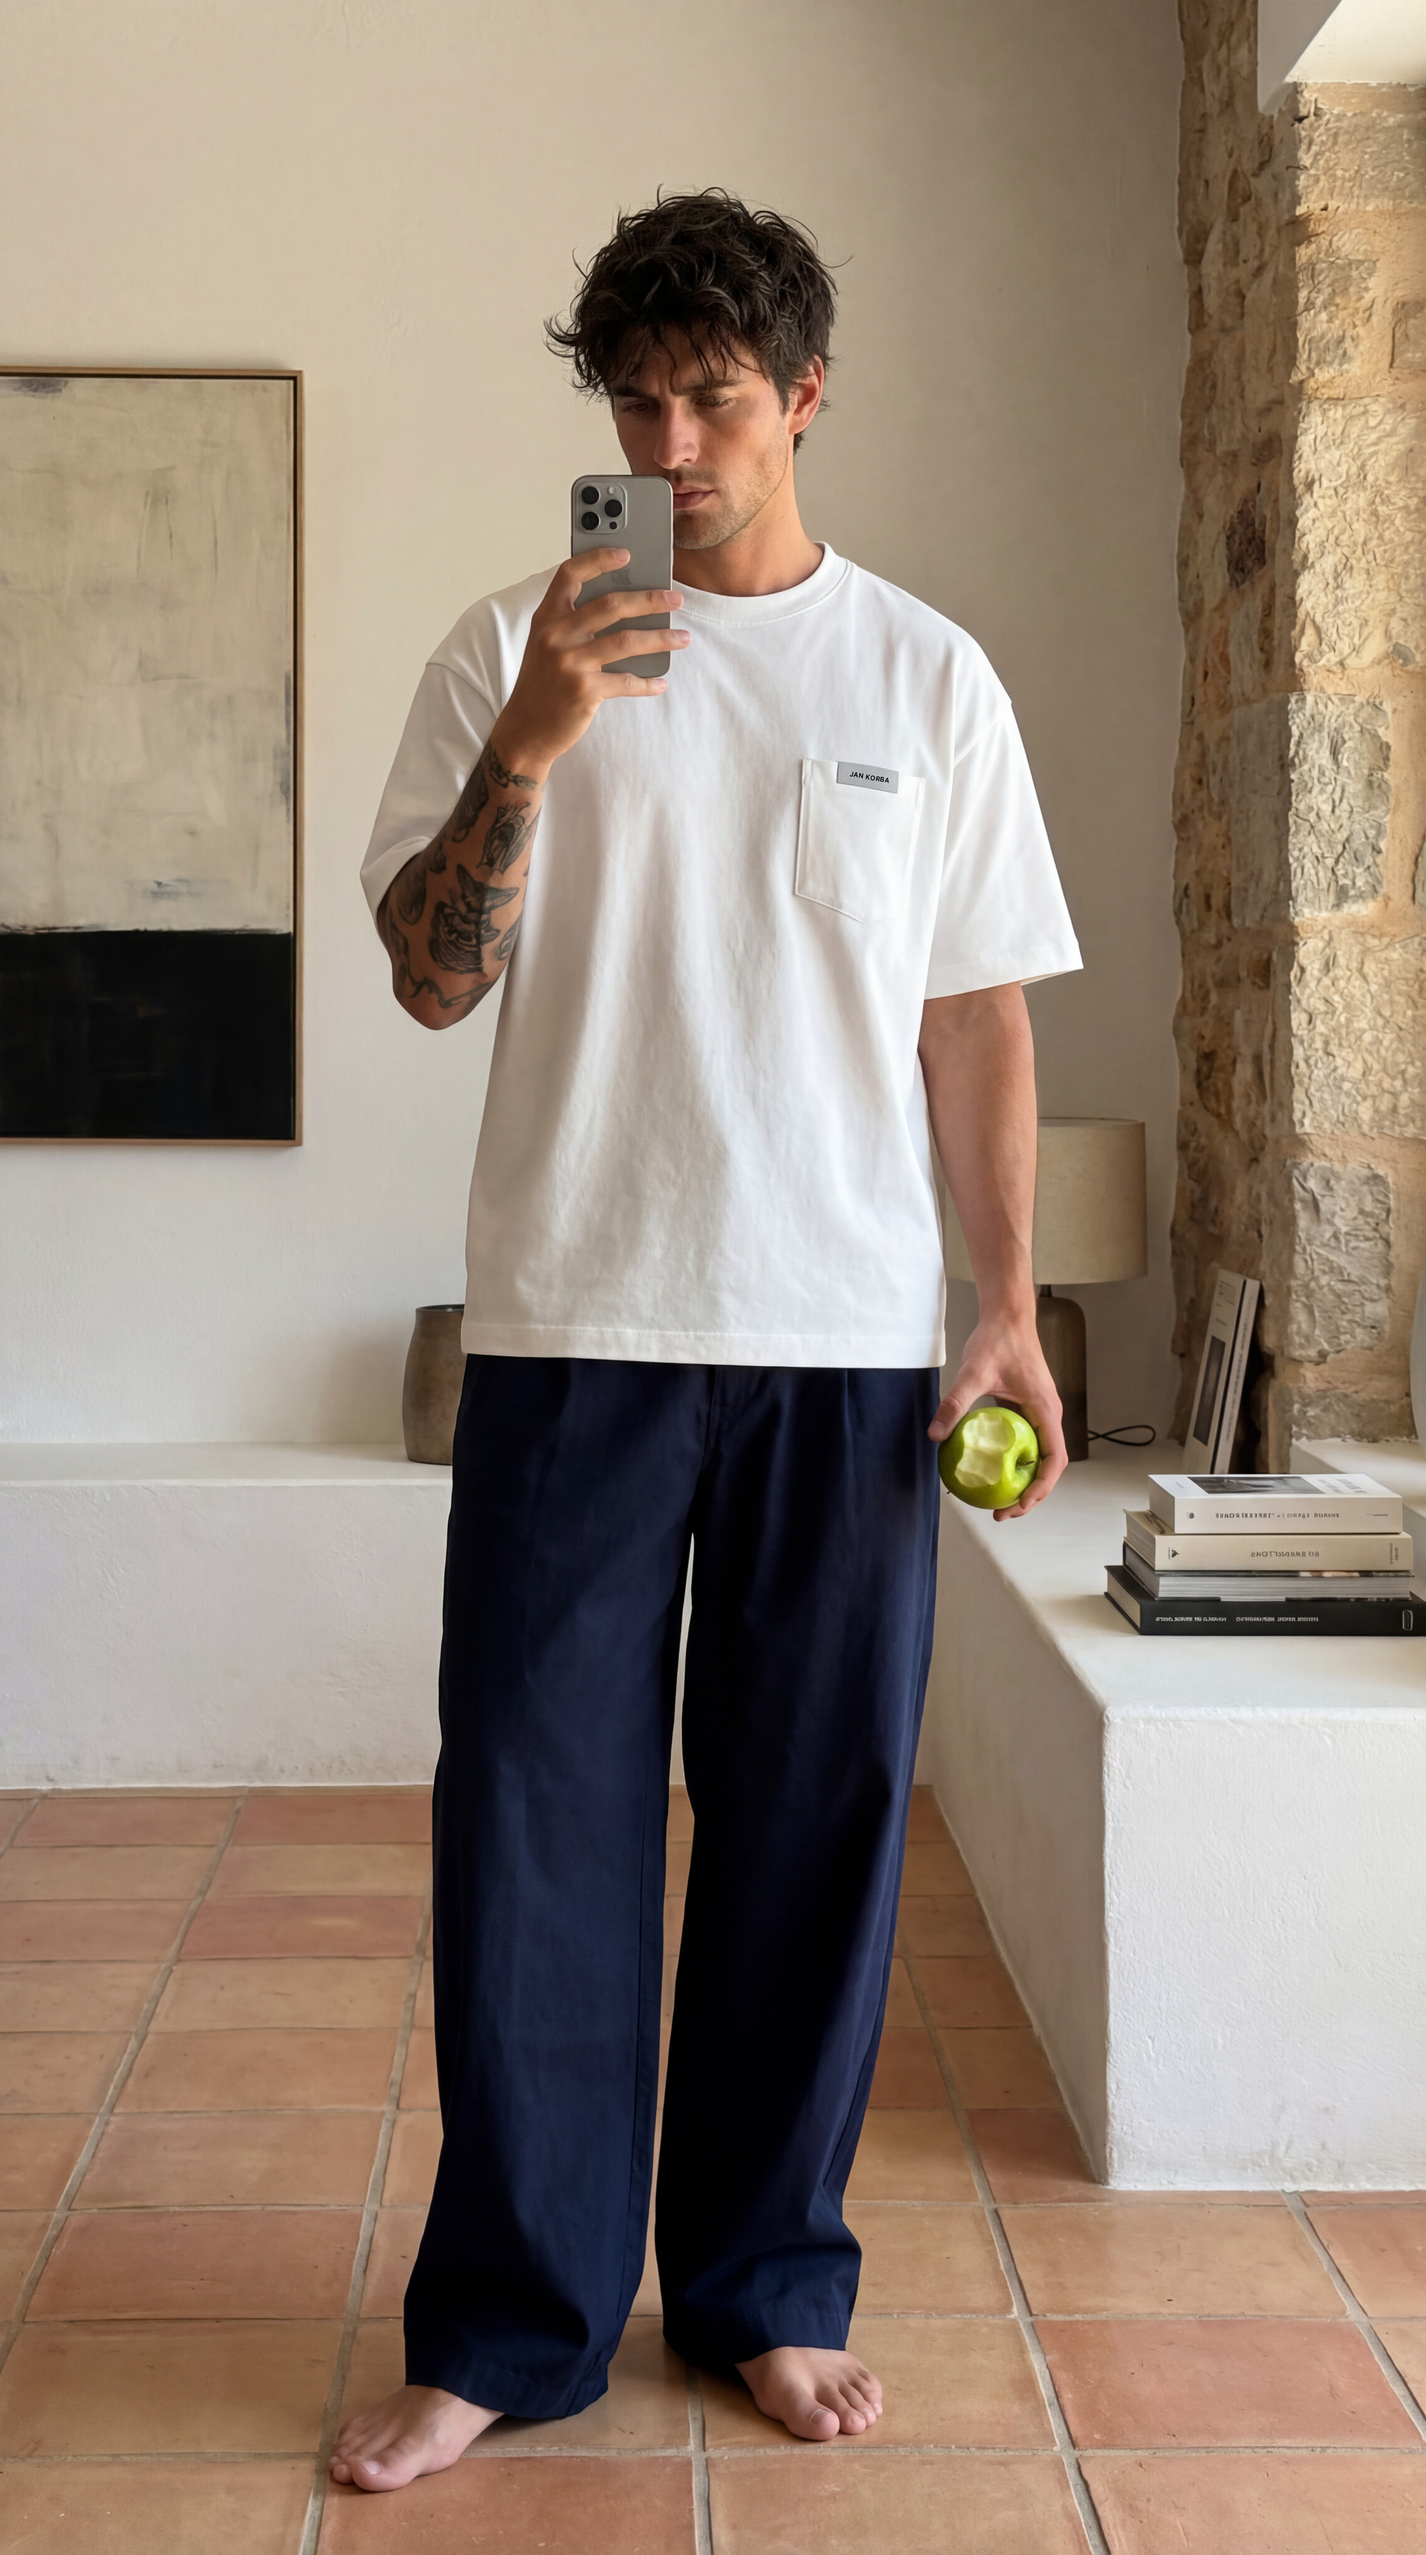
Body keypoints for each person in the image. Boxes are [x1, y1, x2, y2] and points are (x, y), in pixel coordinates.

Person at [333, 190, 1080, 2495]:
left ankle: (763, 2279)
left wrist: (998, 1309)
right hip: (572, 1324)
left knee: (809, 1828)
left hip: (849, 1346)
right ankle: (513, 2319)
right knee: (534, 1832)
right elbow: (429, 972)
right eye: (631, 404)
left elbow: (973, 1025)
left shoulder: (924, 677)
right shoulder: (506, 645)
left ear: (803, 398)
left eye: (712, 403)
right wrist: (538, 743)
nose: (667, 445)